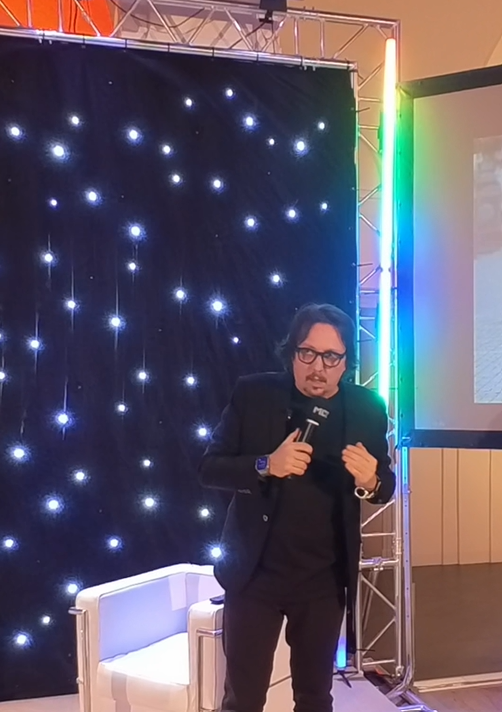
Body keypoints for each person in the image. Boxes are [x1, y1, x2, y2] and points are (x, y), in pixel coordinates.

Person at [199, 303, 395, 712]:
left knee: (314, 698)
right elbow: (209, 468)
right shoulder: (254, 395)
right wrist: (266, 464)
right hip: (255, 578)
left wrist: (371, 481)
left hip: (323, 582)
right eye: (307, 353)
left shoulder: (367, 408)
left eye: (331, 357)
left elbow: (384, 486)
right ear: (291, 353)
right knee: (242, 700)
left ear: (346, 363)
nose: (318, 367)